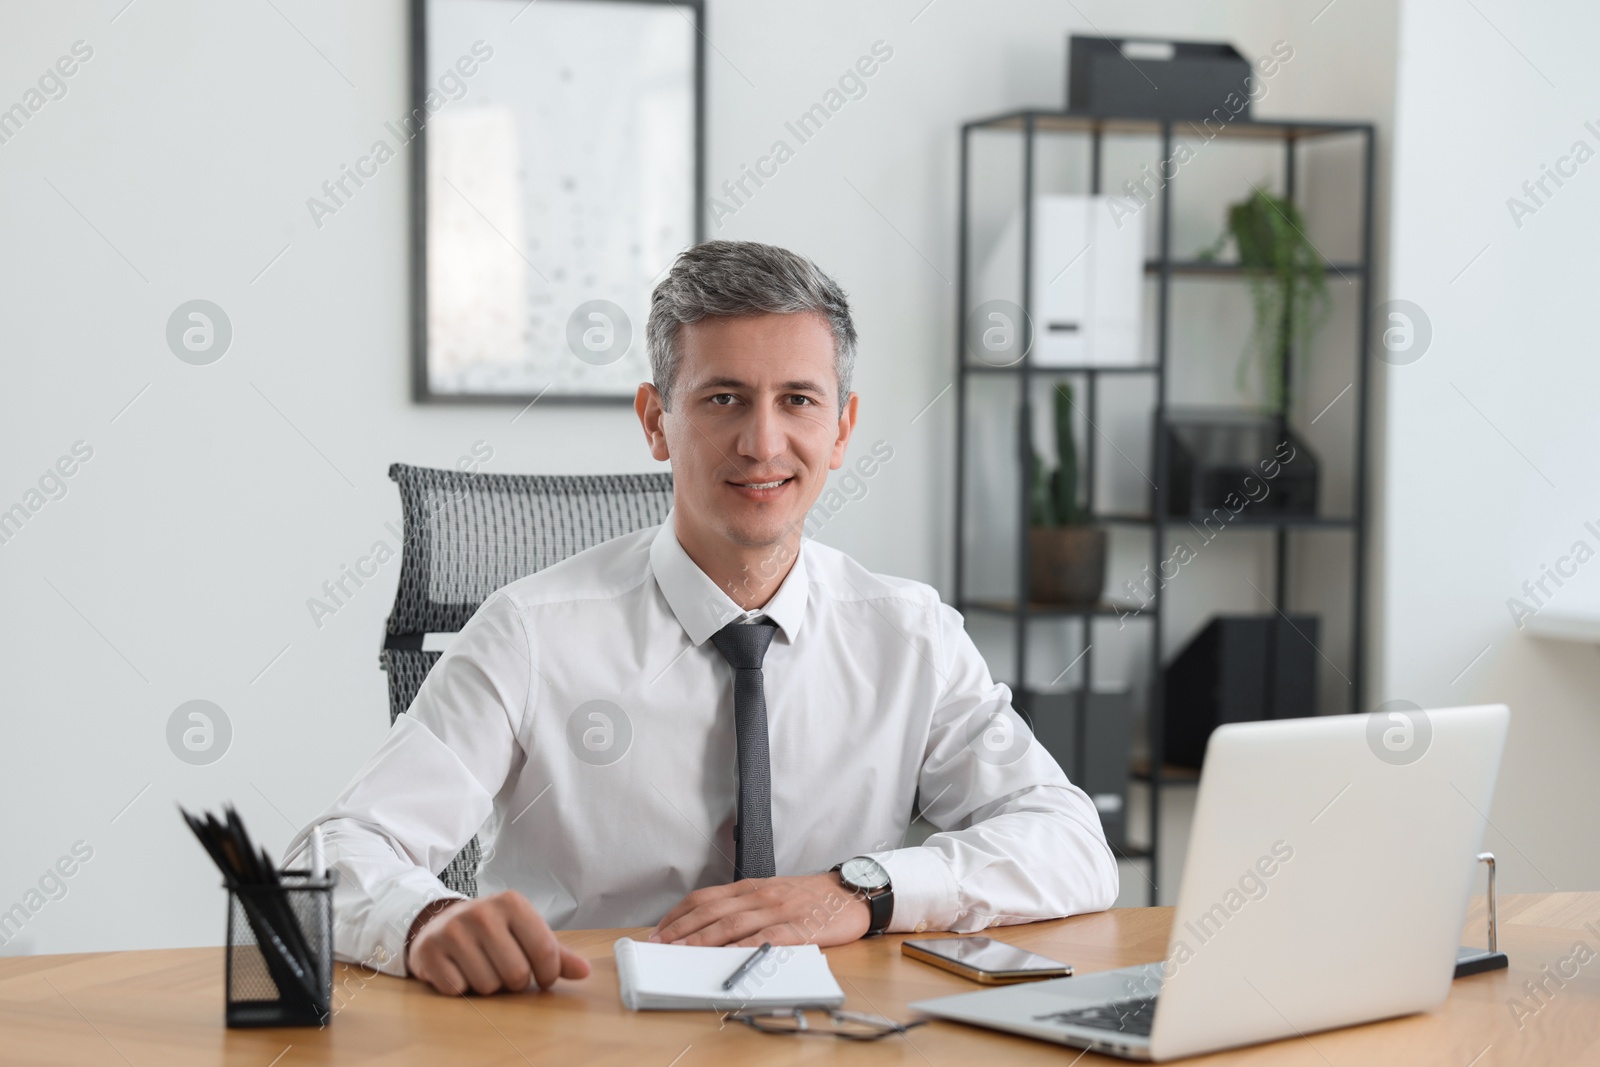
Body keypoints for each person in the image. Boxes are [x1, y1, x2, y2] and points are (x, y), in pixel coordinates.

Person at [287, 240, 1117, 996]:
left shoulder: (910, 634)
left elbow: (1072, 843)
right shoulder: (530, 632)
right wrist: (425, 921)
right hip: (589, 1033)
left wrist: (860, 889)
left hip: (835, 1041)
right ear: (656, 421)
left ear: (842, 429)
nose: (763, 441)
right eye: (724, 398)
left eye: (798, 400)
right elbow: (322, 862)